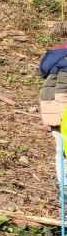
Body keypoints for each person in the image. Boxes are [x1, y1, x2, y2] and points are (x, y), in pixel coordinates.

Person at [39, 42, 67, 192]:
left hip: (52, 108)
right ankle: (64, 185)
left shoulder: (57, 55)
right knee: (63, 149)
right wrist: (64, 118)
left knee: (61, 148)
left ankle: (63, 184)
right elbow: (62, 92)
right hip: (61, 112)